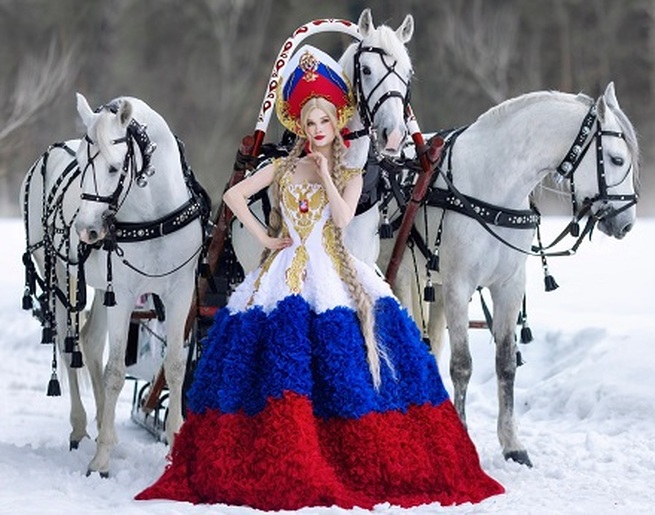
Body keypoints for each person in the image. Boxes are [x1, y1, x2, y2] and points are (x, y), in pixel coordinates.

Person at [136, 45, 504, 510]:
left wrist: (328, 173)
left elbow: (344, 217)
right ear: (301, 127)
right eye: (309, 123)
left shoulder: (350, 172)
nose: (316, 130)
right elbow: (233, 197)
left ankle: (343, 446)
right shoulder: (282, 167)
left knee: (354, 355)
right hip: (284, 271)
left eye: (323, 122)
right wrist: (265, 238)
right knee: (270, 355)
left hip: (332, 269)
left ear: (336, 123)